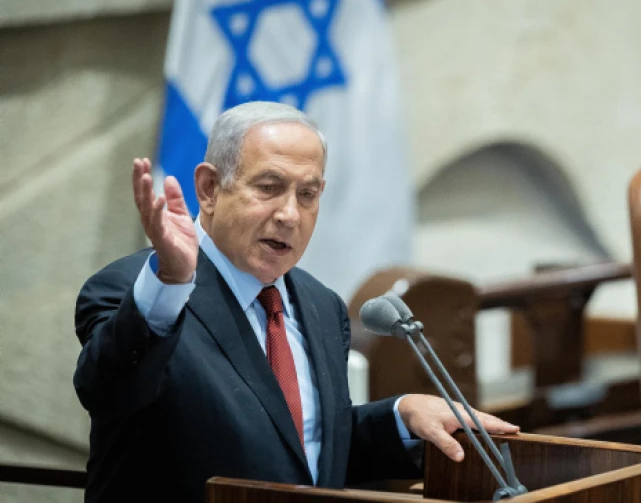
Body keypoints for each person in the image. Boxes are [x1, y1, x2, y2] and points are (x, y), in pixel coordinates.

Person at [73, 101, 518, 503]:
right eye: (269, 187)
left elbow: (302, 452)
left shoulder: (319, 304)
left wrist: (400, 416)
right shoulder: (133, 291)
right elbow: (110, 391)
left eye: (308, 195)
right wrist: (170, 281)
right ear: (209, 189)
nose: (290, 214)